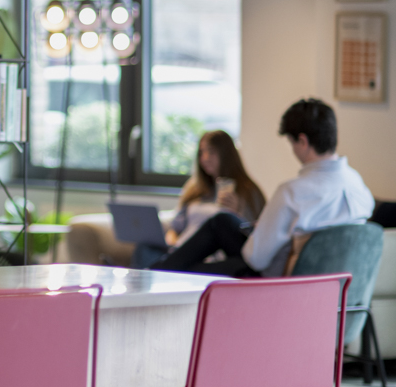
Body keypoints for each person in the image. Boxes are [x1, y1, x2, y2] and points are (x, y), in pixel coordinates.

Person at [151, 98, 374, 277]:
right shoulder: (357, 184)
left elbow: (256, 258)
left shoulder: (292, 192)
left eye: (292, 143)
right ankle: (157, 271)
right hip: (330, 284)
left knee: (190, 267)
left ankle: (154, 274)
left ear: (303, 141)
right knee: (224, 222)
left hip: (274, 281)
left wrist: (263, 231)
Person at [131, 130, 266, 268]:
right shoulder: (194, 188)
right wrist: (172, 242)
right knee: (144, 249)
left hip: (207, 256)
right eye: (201, 152)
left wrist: (237, 212)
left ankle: (157, 272)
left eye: (211, 152)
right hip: (180, 250)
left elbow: (254, 234)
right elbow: (175, 227)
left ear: (226, 154)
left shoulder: (247, 191)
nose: (205, 158)